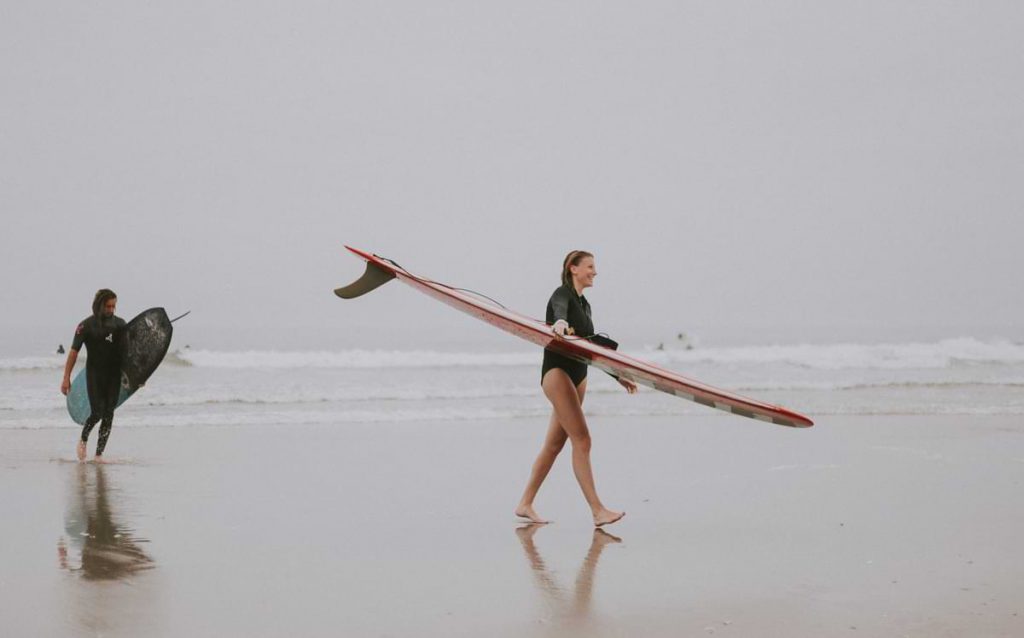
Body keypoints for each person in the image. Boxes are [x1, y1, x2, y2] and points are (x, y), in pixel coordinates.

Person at [515, 251, 636, 527]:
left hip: (579, 375)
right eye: (590, 267)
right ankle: (597, 510)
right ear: (573, 269)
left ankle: (525, 503)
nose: (595, 272)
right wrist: (558, 322)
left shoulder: (585, 305)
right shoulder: (563, 294)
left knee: (554, 445)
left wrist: (617, 376)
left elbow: (591, 347)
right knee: (582, 440)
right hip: (558, 374)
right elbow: (558, 309)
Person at [60, 289, 126, 462]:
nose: (111, 310)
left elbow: (128, 353)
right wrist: (66, 377)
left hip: (114, 374)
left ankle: (98, 455)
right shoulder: (86, 326)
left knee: (109, 413)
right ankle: (83, 438)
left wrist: (138, 376)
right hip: (95, 374)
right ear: (99, 305)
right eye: (108, 306)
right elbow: (74, 352)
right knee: (97, 412)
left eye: (114, 306)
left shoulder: (120, 325)